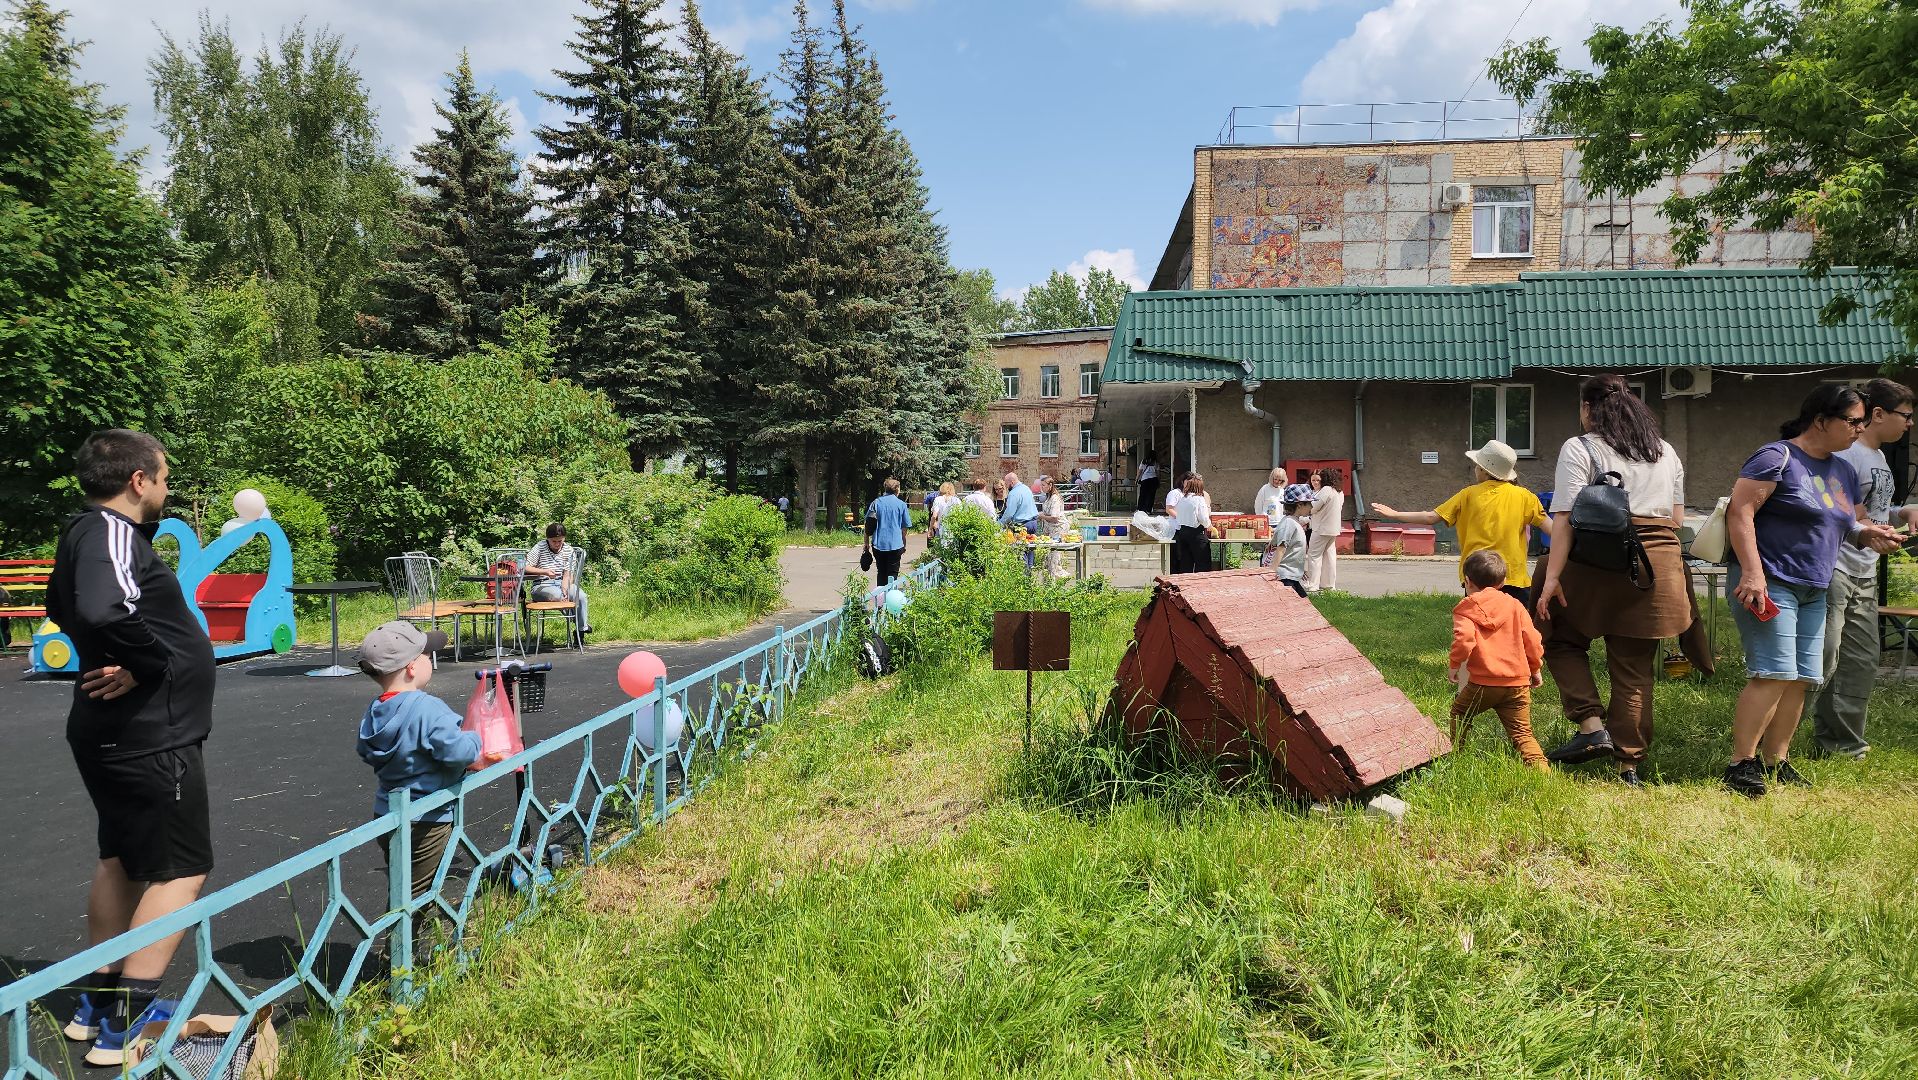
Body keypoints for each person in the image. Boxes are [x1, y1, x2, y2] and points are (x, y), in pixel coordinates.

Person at [48, 430, 217, 1066]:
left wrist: (116, 654)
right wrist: (146, 662)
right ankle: (128, 1021)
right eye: (165, 477)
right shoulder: (112, 532)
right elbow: (97, 607)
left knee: (121, 857)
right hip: (152, 737)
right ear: (138, 481)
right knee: (181, 868)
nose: (167, 489)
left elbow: (62, 607)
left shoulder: (83, 534)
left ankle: (96, 1007)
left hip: (119, 731)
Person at [1723, 384, 1902, 797]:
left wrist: (1867, 533)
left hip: (1815, 586)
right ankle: (1741, 764)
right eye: (1853, 420)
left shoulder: (1840, 469)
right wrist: (1752, 572)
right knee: (1773, 672)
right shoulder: (1776, 457)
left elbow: (1843, 522)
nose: (1860, 429)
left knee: (1803, 677)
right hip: (1770, 581)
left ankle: (1776, 761)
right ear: (1821, 420)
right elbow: (1740, 511)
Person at [1535, 375, 1689, 786]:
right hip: (1657, 568)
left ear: (1587, 409)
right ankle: (1629, 766)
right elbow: (1675, 519)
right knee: (1635, 668)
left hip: (1597, 563)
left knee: (1559, 635)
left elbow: (1564, 516)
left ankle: (1590, 727)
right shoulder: (1666, 451)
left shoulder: (1580, 446)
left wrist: (1552, 579)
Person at [356, 622, 504, 921]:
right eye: (426, 655)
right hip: (427, 816)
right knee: (416, 893)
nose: (430, 660)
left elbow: (367, 749)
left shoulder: (376, 710)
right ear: (412, 667)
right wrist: (475, 738)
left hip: (387, 811)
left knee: (402, 880)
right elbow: (458, 751)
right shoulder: (427, 708)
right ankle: (397, 960)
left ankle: (408, 949)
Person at [1803, 379, 1918, 760]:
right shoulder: (1848, 454)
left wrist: (1902, 512)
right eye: (1906, 415)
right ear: (1878, 414)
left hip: (1864, 571)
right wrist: (1870, 530)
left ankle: (1844, 747)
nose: (1910, 424)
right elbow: (1841, 514)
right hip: (1836, 567)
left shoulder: (1879, 457)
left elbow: (1871, 508)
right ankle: (1772, 743)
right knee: (1824, 657)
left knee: (1860, 660)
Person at [1371, 440, 1547, 603]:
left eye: (1476, 466)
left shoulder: (1467, 495)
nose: (1475, 469)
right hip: (1513, 577)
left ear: (1484, 470)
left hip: (1477, 577)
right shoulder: (1525, 497)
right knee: (1515, 630)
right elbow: (1553, 529)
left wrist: (1395, 514)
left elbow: (1431, 517)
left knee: (1478, 627)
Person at [1448, 550, 1549, 772]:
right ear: (1503, 582)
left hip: (1484, 683)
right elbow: (1532, 639)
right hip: (1518, 683)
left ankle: (1457, 757)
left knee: (1460, 713)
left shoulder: (1465, 609)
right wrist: (1535, 668)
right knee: (1522, 733)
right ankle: (1543, 773)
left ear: (1467, 581)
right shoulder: (1515, 605)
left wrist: (1455, 665)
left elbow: (1464, 639)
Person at [525, 523, 590, 637]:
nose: (557, 544)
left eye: (559, 541)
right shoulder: (540, 547)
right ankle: (576, 620)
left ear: (564, 539)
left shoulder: (568, 550)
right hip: (542, 585)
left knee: (580, 596)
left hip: (561, 582)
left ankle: (581, 629)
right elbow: (525, 566)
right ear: (548, 539)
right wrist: (544, 571)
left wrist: (565, 589)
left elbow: (567, 575)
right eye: (553, 541)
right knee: (557, 596)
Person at [865, 478, 913, 587]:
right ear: (897, 490)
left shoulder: (876, 503)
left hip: (878, 545)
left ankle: (881, 602)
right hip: (896, 545)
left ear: (885, 488)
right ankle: (891, 600)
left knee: (881, 572)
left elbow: (868, 524)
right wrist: (903, 544)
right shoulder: (901, 504)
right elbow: (904, 528)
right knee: (893, 574)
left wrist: (866, 543)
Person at [1303, 467, 1345, 593]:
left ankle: (1312, 584)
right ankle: (1328, 584)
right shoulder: (1338, 491)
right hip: (1333, 529)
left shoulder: (1326, 490)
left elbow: (1314, 507)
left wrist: (1303, 515)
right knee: (1329, 556)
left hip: (1321, 528)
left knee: (1314, 555)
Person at [1265, 496, 1310, 597]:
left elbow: (1293, 550)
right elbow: (1281, 548)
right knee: (1297, 605)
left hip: (1291, 573)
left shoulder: (1294, 521)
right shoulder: (1289, 523)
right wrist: (1272, 572)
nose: (1311, 507)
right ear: (1299, 505)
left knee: (1302, 603)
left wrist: (1299, 569)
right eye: (1309, 504)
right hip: (1284, 575)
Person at [1171, 473, 1213, 574]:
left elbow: (1179, 516)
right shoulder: (1199, 499)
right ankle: (1201, 585)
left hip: (1183, 532)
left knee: (1186, 562)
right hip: (1196, 533)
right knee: (1203, 563)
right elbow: (1203, 518)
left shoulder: (1183, 499)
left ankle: (1185, 585)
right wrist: (1209, 526)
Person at [1035, 475, 1070, 579]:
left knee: (1054, 555)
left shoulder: (1055, 498)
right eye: (1041, 485)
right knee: (1049, 555)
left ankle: (1056, 577)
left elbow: (1054, 517)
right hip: (1050, 529)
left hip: (1058, 528)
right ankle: (1051, 578)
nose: (1042, 487)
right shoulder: (1048, 497)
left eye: (1044, 485)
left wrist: (1042, 516)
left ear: (1050, 485)